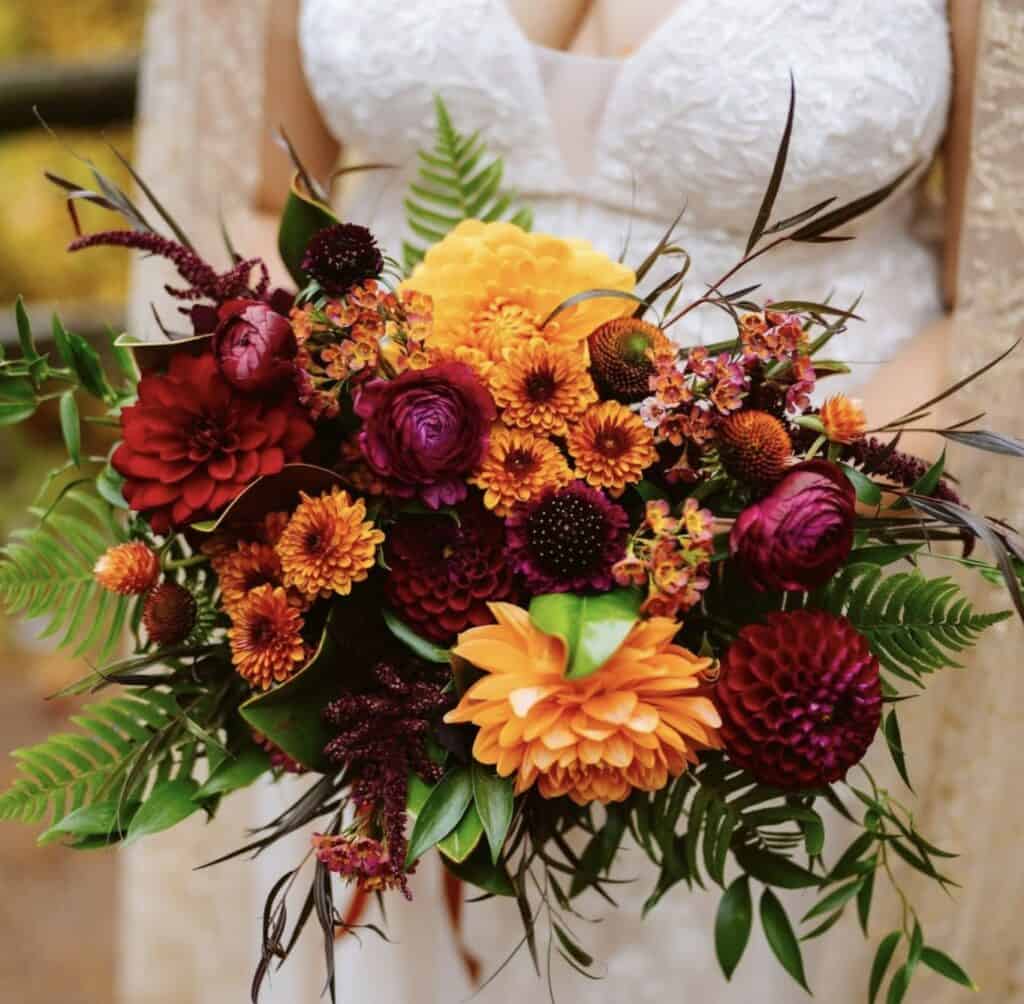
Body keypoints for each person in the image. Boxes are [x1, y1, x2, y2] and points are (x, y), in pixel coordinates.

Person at [120, 2, 1015, 1002]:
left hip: (788, 597)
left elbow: (993, 288)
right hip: (389, 574)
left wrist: (768, 515)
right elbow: (265, 200)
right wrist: (347, 445)